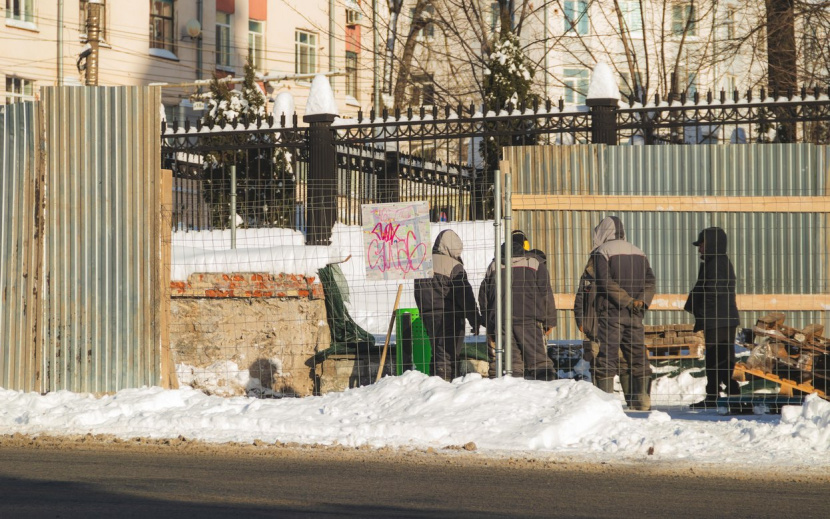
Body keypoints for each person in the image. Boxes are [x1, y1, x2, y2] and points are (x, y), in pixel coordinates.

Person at [591, 216, 656, 410]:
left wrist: (626, 301)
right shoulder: (638, 251)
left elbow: (604, 282)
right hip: (635, 313)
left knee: (607, 356)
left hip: (612, 313)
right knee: (638, 355)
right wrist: (641, 301)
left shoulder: (602, 252)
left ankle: (605, 404)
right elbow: (650, 282)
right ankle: (643, 401)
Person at [479, 230, 557, 380]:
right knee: (538, 360)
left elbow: (484, 297)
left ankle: (515, 390)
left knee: (513, 363)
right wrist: (549, 321)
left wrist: (489, 322)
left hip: (502, 321)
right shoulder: (535, 263)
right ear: (524, 246)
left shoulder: (494, 265)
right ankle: (547, 384)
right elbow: (546, 294)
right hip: (529, 319)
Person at [684, 227, 741, 409]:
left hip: (718, 318)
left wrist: (702, 311)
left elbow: (712, 292)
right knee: (718, 357)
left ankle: (723, 395)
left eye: (701, 245)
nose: (699, 249)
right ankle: (724, 394)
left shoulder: (716, 263)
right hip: (719, 318)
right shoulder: (716, 262)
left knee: (718, 358)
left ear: (711, 244)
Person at [414, 230, 481, 382]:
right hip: (450, 316)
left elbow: (417, 292)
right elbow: (466, 297)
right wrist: (475, 319)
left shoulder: (423, 264)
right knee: (447, 353)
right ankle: (445, 384)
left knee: (437, 351)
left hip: (428, 315)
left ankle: (434, 382)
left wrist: (423, 311)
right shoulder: (454, 266)